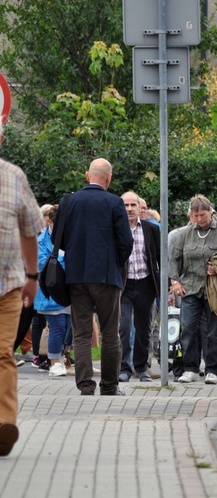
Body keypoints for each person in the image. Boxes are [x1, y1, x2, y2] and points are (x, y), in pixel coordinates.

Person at [57, 158, 134, 396]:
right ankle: (109, 386)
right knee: (110, 332)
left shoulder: (68, 202)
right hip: (107, 277)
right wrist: (114, 262)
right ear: (108, 179)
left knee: (81, 333)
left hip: (76, 276)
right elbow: (126, 242)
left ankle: (85, 386)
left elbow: (55, 240)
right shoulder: (114, 203)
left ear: (87, 175)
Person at [0, 126, 45, 455]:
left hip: (8, 286)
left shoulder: (14, 177)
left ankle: (4, 424)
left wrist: (32, 274)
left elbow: (31, 229)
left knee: (2, 353)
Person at [169, 195, 217, 385]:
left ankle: (212, 369)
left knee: (213, 331)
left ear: (211, 212)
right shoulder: (186, 233)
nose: (199, 219)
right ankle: (191, 368)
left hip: (213, 288)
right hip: (190, 288)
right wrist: (175, 282)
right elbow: (174, 259)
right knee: (187, 328)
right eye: (195, 216)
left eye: (203, 215)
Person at [118, 192, 160, 383]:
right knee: (124, 327)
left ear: (139, 206)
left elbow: (160, 258)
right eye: (125, 205)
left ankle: (141, 368)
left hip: (145, 283)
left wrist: (165, 283)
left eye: (133, 205)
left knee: (144, 329)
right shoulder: (116, 229)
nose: (129, 209)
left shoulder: (151, 229)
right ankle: (124, 367)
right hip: (123, 285)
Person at [33, 204, 73, 377]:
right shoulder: (41, 240)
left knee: (69, 326)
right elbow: (41, 263)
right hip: (51, 289)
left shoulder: (71, 236)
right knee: (58, 325)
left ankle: (64, 357)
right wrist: (61, 258)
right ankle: (54, 362)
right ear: (49, 221)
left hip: (69, 288)